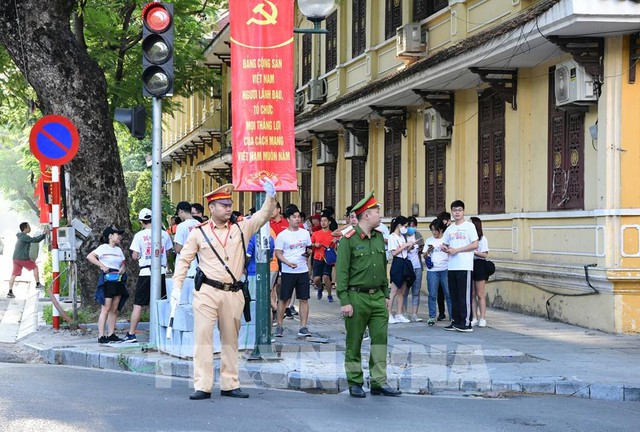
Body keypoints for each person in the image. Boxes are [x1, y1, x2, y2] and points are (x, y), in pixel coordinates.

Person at [170, 179, 277, 400]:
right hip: (207, 291)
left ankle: (230, 383)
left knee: (230, 339)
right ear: (211, 207)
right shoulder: (199, 233)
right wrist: (177, 286)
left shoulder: (241, 227)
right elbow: (184, 260)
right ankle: (203, 385)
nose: (228, 208)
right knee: (203, 338)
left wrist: (271, 196)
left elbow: (263, 216)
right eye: (223, 205)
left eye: (230, 204)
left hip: (233, 292)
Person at [336, 191, 401, 398]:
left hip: (378, 298)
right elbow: (342, 272)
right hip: (356, 297)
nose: (380, 215)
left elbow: (382, 268)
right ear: (366, 215)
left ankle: (378, 381)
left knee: (380, 339)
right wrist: (344, 300)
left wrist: (386, 294)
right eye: (376, 212)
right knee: (354, 341)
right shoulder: (349, 239)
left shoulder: (379, 237)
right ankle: (355, 381)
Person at [123, 209, 174, 343]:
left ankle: (131, 333)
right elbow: (167, 253)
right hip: (161, 272)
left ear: (141, 222)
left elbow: (134, 255)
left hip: (145, 272)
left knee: (138, 304)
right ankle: (164, 333)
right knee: (162, 303)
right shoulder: (164, 234)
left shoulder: (139, 235)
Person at [274, 204, 313, 338]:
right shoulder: (282, 236)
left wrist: (308, 253)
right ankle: (279, 325)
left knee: (304, 299)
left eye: (299, 217)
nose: (297, 219)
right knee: (284, 299)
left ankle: (303, 326)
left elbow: (309, 248)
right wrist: (287, 263)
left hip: (302, 271)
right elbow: (278, 253)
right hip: (288, 271)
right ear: (288, 219)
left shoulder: (305, 233)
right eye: (294, 217)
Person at [442, 201, 478, 332]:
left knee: (464, 295)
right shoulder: (450, 229)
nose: (457, 212)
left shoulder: (469, 226)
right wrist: (444, 248)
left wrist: (457, 250)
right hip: (452, 266)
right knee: (454, 295)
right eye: (454, 210)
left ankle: (466, 322)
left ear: (463, 211)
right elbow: (445, 244)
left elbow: (475, 245)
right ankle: (455, 321)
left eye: (459, 210)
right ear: (451, 212)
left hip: (464, 265)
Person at [87, 226, 127, 344]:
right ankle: (101, 335)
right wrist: (102, 266)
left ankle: (111, 333)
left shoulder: (119, 250)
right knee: (106, 307)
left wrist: (122, 268)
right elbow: (90, 256)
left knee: (114, 308)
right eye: (117, 234)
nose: (119, 236)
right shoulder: (103, 248)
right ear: (110, 236)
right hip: (108, 279)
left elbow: (123, 263)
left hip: (118, 279)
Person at [423, 218, 451, 326]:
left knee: (448, 293)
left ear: (441, 229)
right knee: (432, 294)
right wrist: (428, 251)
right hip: (433, 270)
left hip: (445, 269)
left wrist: (446, 249)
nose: (434, 232)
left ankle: (452, 316)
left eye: (436, 230)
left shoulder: (446, 239)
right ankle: (432, 316)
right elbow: (424, 255)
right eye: (432, 230)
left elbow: (451, 251)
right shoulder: (429, 240)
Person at [387, 216, 415, 324]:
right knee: (394, 290)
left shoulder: (402, 237)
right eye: (405, 226)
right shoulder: (392, 237)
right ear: (399, 225)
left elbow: (404, 250)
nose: (406, 228)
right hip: (397, 263)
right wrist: (405, 246)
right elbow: (394, 252)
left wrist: (410, 246)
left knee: (402, 291)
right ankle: (389, 313)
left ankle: (399, 313)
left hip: (405, 261)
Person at [7, 222, 47, 298]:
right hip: (22, 258)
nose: (30, 228)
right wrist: (44, 235)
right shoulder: (24, 237)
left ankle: (10, 292)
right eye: (28, 227)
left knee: (13, 275)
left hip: (15, 258)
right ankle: (38, 284)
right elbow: (35, 240)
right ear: (25, 228)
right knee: (35, 267)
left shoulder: (21, 236)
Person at [174, 201, 200, 296]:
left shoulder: (181, 226)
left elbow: (178, 249)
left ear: (181, 211)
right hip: (198, 266)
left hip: (185, 267)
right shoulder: (199, 224)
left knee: (184, 300)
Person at [401, 216, 424, 322]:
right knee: (404, 291)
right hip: (407, 266)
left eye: (413, 226)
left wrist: (421, 248)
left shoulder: (418, 235)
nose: (411, 228)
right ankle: (404, 313)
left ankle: (415, 313)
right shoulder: (403, 237)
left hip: (417, 266)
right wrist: (411, 246)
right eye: (409, 226)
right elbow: (403, 251)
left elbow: (421, 248)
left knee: (416, 290)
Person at [311, 215, 337, 302]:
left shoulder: (332, 234)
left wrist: (335, 242)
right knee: (316, 279)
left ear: (329, 222)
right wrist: (315, 244)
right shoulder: (316, 234)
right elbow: (310, 244)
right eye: (321, 221)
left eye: (325, 221)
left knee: (326, 277)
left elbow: (336, 248)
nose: (323, 222)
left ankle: (329, 295)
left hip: (327, 259)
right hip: (317, 258)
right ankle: (320, 287)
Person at [470, 216, 490, 328]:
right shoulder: (469, 238)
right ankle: (474, 317)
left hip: (479, 265)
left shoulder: (482, 239)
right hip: (469, 264)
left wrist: (474, 252)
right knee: (472, 294)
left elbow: (485, 254)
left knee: (480, 294)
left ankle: (483, 317)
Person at [436, 211, 451, 321]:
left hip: (449, 265)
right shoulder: (440, 233)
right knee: (439, 292)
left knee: (448, 292)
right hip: (439, 266)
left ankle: (452, 314)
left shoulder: (451, 232)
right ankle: (441, 312)